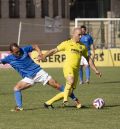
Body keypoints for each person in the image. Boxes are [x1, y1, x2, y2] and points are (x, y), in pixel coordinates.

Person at [0, 43, 80, 111]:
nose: (18, 53)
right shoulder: (8, 58)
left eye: (18, 51)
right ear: (11, 52)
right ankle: (19, 107)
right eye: (16, 52)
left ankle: (75, 99)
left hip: (39, 73)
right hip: (29, 78)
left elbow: (34, 46)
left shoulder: (24, 50)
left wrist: (40, 53)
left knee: (57, 86)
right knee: (16, 88)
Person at [42, 28, 88, 108]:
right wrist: (44, 55)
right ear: (73, 34)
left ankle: (48, 103)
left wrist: (96, 70)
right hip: (68, 67)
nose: (80, 36)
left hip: (76, 70)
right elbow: (54, 51)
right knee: (70, 80)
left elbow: (88, 58)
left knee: (69, 91)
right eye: (79, 35)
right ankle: (65, 100)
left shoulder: (82, 46)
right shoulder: (66, 43)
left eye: (81, 35)